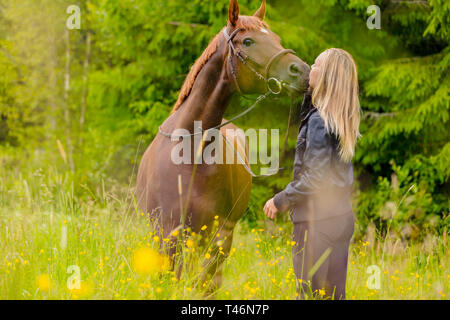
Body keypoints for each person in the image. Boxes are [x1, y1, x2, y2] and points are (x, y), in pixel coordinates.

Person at [263, 48, 362, 300]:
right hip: (340, 218)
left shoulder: (319, 120)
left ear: (327, 76)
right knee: (334, 296)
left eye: (315, 64)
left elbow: (316, 179)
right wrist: (310, 92)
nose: (309, 67)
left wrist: (281, 199)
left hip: (316, 221)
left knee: (308, 295)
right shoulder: (340, 118)